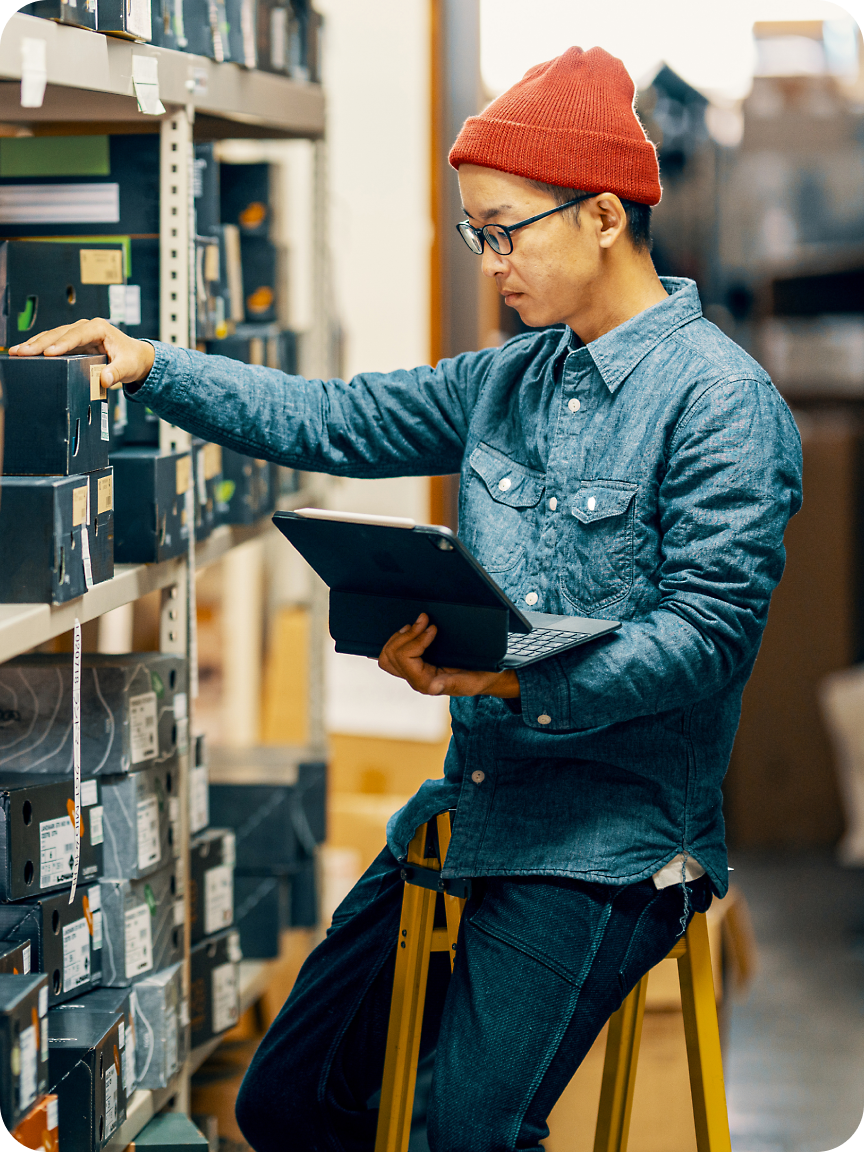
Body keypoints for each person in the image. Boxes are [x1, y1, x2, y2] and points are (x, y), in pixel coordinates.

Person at [12, 45, 802, 1152]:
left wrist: (510, 677)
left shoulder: (721, 405)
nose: (490, 262)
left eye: (505, 229)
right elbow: (330, 418)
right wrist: (150, 365)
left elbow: (706, 638)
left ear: (606, 217)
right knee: (283, 1104)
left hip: (610, 841)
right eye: (477, 231)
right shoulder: (509, 379)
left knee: (461, 1132)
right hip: (474, 808)